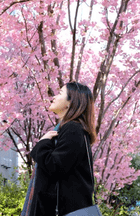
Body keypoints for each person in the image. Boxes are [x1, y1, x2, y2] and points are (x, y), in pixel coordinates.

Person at [21, 81, 97, 216]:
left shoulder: (73, 128)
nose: (54, 97)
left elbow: (55, 166)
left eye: (60, 93)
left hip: (64, 210)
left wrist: (43, 143)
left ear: (70, 102)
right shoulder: (70, 129)